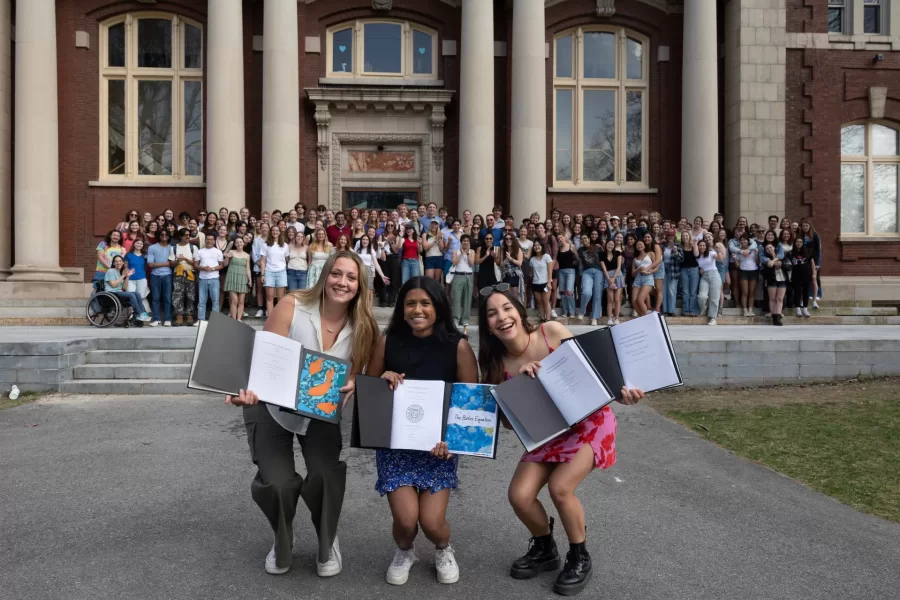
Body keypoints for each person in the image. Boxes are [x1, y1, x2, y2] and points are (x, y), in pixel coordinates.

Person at [477, 288, 643, 596]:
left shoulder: (550, 331)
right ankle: (545, 548)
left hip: (590, 422)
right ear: (487, 325)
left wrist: (624, 394)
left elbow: (595, 371)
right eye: (491, 313)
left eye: (506, 308)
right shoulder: (496, 364)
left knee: (560, 487)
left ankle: (579, 556)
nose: (502, 317)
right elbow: (506, 423)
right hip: (548, 434)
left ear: (519, 311)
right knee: (520, 495)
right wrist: (524, 388)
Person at [226, 251, 379, 578]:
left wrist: (354, 383)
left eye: (351, 277)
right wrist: (247, 394)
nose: (342, 282)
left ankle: (327, 541)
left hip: (320, 411)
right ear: (325, 276)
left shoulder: (364, 326)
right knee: (278, 484)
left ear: (359, 285)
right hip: (270, 405)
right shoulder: (292, 305)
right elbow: (263, 362)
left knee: (325, 476)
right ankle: (283, 539)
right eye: (336, 274)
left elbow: (363, 373)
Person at [366, 277, 477, 585]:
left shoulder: (459, 347)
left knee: (431, 521)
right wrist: (383, 377)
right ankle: (405, 551)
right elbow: (369, 388)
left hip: (438, 449)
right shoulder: (387, 342)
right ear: (402, 309)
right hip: (396, 447)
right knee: (405, 520)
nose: (418, 309)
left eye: (425, 303)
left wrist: (453, 443)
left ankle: (443, 548)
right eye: (411, 303)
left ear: (438, 308)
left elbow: (471, 405)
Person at [104, 255, 151, 322]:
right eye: (116, 261)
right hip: (111, 293)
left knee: (137, 293)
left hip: (119, 293)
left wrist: (127, 277)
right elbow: (113, 285)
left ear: (123, 263)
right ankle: (140, 314)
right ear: (113, 263)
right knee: (131, 295)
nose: (118, 263)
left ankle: (142, 313)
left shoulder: (120, 272)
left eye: (120, 261)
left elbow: (124, 287)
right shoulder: (110, 271)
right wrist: (123, 275)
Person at [170, 231, 198, 326]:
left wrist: (185, 259)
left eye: (189, 235)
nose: (188, 237)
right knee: (178, 295)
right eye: (186, 235)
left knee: (190, 295)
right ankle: (179, 316)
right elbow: (171, 263)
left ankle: (190, 315)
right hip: (178, 274)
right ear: (180, 236)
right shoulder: (174, 248)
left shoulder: (193, 247)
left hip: (190, 273)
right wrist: (178, 261)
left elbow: (195, 263)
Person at [195, 233, 225, 324]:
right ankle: (201, 320)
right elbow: (195, 264)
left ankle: (215, 321)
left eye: (211, 239)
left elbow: (222, 265)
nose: (209, 241)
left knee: (215, 300)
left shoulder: (218, 251)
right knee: (201, 300)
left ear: (214, 241)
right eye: (208, 239)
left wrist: (212, 268)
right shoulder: (200, 251)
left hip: (214, 278)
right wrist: (202, 268)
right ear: (205, 240)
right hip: (202, 278)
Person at [260, 227, 290, 316]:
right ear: (270, 232)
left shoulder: (285, 245)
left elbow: (287, 259)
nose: (275, 232)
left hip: (281, 272)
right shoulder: (265, 245)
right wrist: (262, 274)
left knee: (280, 297)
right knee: (270, 297)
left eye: (277, 230)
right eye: (273, 230)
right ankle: (270, 317)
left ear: (280, 232)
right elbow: (262, 261)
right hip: (269, 272)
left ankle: (279, 318)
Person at [146, 230, 173, 326]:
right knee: (155, 298)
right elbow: (151, 264)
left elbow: (174, 263)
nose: (164, 235)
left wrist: (158, 264)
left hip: (168, 275)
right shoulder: (152, 247)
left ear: (169, 236)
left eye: (166, 234)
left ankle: (167, 319)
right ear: (159, 236)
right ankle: (156, 319)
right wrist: (168, 263)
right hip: (155, 275)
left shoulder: (172, 248)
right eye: (162, 234)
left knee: (167, 298)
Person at [761, 242, 791, 326]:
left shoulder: (782, 257)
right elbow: (762, 271)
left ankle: (778, 316)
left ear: (774, 248)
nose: (769, 249)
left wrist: (781, 265)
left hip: (782, 280)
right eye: (767, 249)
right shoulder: (765, 259)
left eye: (770, 247)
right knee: (772, 298)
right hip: (771, 280)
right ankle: (774, 317)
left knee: (780, 298)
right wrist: (771, 265)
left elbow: (789, 267)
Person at [354, 233, 389, 304]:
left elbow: (376, 265)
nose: (365, 241)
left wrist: (382, 276)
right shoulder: (357, 251)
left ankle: (368, 310)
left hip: (368, 272)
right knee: (359, 291)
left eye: (366, 239)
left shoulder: (371, 251)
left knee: (369, 292)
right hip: (358, 271)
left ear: (369, 241)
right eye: (363, 239)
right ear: (361, 241)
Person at [695, 238, 723, 326]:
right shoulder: (697, 256)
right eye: (700, 245)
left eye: (704, 245)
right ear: (698, 247)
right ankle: (704, 309)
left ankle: (713, 318)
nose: (702, 247)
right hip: (704, 277)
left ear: (706, 246)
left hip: (714, 274)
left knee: (714, 298)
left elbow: (719, 259)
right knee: (702, 296)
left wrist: (718, 252)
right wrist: (700, 269)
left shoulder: (711, 253)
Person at [224, 235, 252, 322]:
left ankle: (239, 319)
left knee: (241, 301)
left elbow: (247, 269)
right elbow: (225, 264)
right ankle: (234, 319)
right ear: (235, 244)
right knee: (234, 300)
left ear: (243, 243)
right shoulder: (231, 252)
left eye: (240, 242)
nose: (239, 243)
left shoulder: (247, 255)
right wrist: (227, 256)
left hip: (242, 278)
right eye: (237, 242)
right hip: (232, 277)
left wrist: (250, 280)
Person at [449, 234, 475, 326]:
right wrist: (461, 253)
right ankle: (456, 319)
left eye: (467, 241)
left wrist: (467, 253)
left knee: (467, 298)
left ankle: (465, 319)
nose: (466, 242)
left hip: (468, 276)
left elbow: (471, 263)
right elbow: (454, 263)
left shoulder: (472, 251)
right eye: (464, 240)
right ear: (461, 242)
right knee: (456, 298)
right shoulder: (456, 251)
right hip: (458, 275)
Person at [578, 237, 603, 326]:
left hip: (598, 272)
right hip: (587, 272)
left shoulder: (596, 247)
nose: (584, 240)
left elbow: (603, 256)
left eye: (586, 238)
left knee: (597, 295)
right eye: (582, 239)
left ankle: (594, 318)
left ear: (589, 239)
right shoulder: (580, 250)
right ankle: (582, 311)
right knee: (586, 292)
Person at [599, 239, 624, 325]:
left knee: (617, 299)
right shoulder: (602, 255)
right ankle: (609, 318)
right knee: (610, 299)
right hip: (608, 276)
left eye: (612, 245)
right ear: (606, 245)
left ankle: (617, 318)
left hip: (618, 276)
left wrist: (614, 278)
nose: (610, 246)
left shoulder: (618, 253)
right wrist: (610, 279)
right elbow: (604, 269)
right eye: (609, 244)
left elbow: (619, 267)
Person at [529, 240, 554, 322]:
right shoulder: (532, 259)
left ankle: (548, 319)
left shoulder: (546, 256)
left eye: (538, 245)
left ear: (542, 247)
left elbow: (550, 271)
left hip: (545, 283)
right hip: (535, 283)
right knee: (539, 302)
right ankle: (542, 319)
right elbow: (531, 272)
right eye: (535, 245)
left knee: (546, 301)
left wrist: (549, 282)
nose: (537, 247)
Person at [787, 237, 812, 318]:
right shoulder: (790, 253)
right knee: (797, 291)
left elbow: (812, 263)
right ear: (794, 243)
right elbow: (788, 264)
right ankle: (798, 309)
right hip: (795, 275)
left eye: (800, 242)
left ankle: (805, 308)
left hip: (806, 274)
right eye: (797, 242)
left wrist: (814, 274)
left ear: (803, 243)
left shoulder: (807, 252)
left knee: (806, 291)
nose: (799, 243)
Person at [556, 234, 579, 319]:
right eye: (558, 238)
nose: (560, 239)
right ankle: (565, 311)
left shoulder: (571, 246)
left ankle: (572, 311)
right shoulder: (558, 249)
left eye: (561, 237)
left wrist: (575, 264)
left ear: (565, 238)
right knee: (562, 292)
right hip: (561, 271)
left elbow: (577, 258)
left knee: (569, 291)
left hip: (571, 271)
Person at [800, 219, 822, 309]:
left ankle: (814, 301)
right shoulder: (800, 235)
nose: (805, 228)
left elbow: (818, 250)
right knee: (803, 281)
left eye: (807, 226)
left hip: (812, 260)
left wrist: (817, 263)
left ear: (810, 226)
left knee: (813, 279)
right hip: (802, 260)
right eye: (804, 226)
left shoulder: (815, 235)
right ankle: (802, 300)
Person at [124, 238, 149, 314]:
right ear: (134, 244)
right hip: (130, 279)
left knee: (140, 298)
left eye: (141, 244)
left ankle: (139, 316)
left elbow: (145, 267)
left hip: (142, 279)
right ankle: (130, 315)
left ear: (142, 246)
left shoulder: (144, 256)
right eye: (137, 243)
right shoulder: (128, 255)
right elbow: (126, 267)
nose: (139, 245)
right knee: (131, 297)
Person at [630, 239, 655, 317]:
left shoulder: (650, 254)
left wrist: (648, 272)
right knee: (634, 301)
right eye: (637, 245)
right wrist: (638, 269)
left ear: (644, 245)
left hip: (648, 278)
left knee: (640, 300)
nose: (639, 246)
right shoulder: (635, 259)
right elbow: (632, 274)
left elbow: (656, 267)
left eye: (641, 244)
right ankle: (642, 317)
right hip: (638, 279)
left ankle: (647, 318)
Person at [737, 234, 759, 317]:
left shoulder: (754, 250)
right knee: (745, 292)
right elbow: (737, 265)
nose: (743, 241)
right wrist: (735, 258)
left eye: (745, 240)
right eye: (741, 240)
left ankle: (750, 310)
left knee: (752, 292)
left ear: (748, 241)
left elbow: (757, 262)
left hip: (753, 271)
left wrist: (756, 255)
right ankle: (745, 310)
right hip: (743, 271)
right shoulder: (738, 251)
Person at [661, 231, 682, 317]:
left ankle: (671, 310)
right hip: (663, 269)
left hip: (673, 270)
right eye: (669, 236)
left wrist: (676, 252)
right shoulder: (663, 246)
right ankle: (665, 310)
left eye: (672, 236)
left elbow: (681, 259)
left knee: (672, 290)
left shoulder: (677, 246)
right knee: (664, 290)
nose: (670, 237)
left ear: (674, 237)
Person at [679, 233, 700, 317]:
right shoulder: (680, 246)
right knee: (685, 291)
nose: (685, 237)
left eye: (686, 236)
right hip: (683, 270)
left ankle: (693, 310)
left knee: (693, 291)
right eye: (683, 236)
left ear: (689, 237)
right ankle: (685, 310)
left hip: (693, 269)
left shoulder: (693, 245)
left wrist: (695, 245)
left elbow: (696, 254)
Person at [286, 226, 309, 291]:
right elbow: (287, 259)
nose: (299, 238)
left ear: (303, 238)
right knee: (292, 293)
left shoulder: (307, 248)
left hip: (303, 272)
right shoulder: (289, 246)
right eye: (298, 236)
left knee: (302, 293)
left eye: (301, 237)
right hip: (291, 272)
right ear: (295, 237)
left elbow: (309, 259)